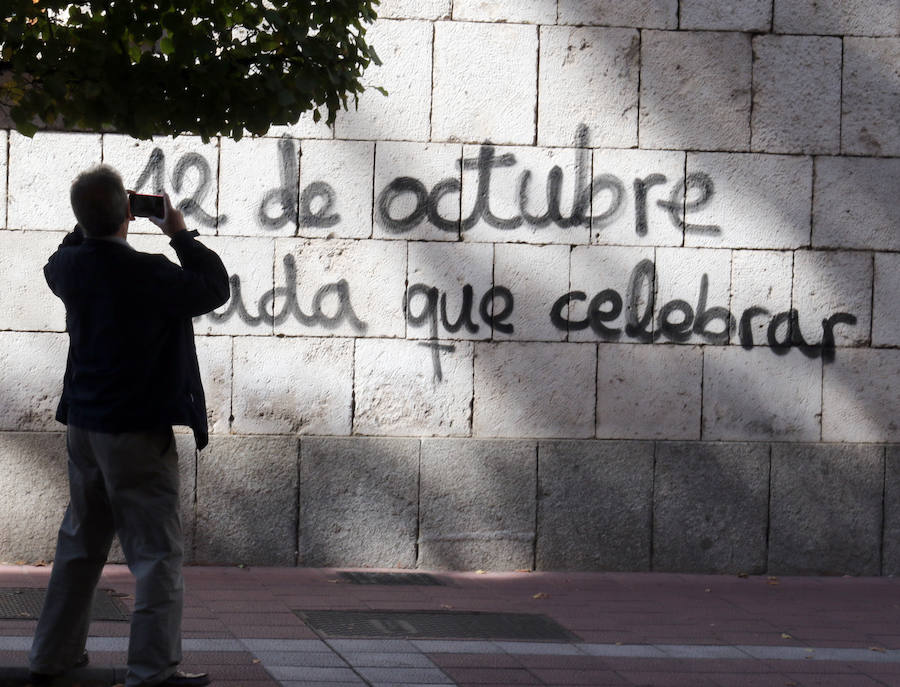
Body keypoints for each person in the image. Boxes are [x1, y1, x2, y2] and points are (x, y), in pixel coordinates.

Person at [28, 164, 230, 687]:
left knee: (80, 544)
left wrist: (92, 220)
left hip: (84, 426)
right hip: (137, 430)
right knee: (156, 553)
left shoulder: (69, 269)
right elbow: (213, 286)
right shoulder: (152, 272)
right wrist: (180, 231)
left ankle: (51, 657)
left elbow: (58, 257)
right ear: (127, 215)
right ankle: (152, 671)